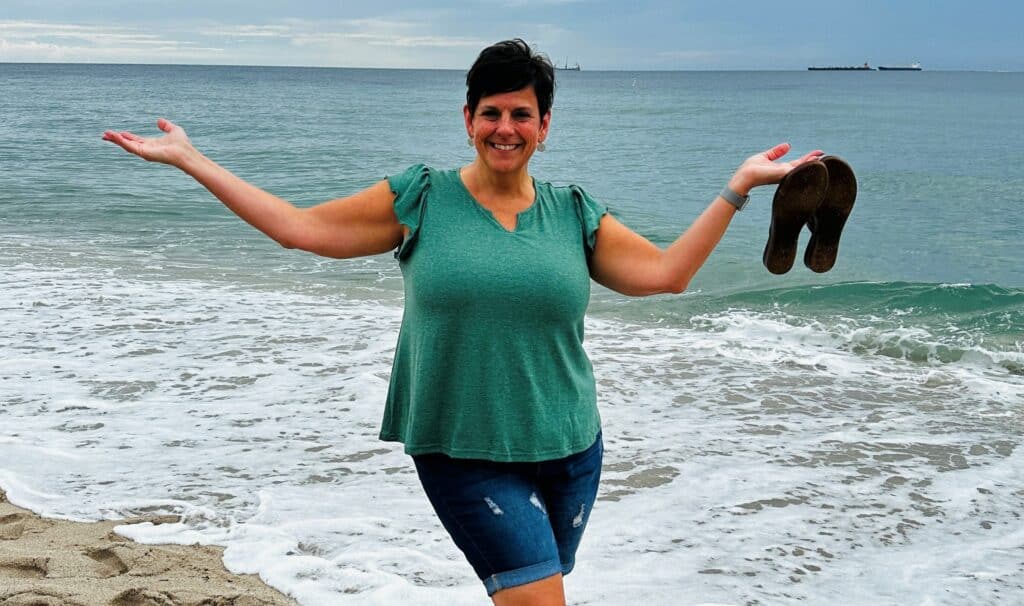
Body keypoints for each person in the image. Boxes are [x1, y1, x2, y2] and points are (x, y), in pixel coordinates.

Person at [104, 38, 824, 606]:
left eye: (520, 114)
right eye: (491, 112)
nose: (504, 128)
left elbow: (668, 276)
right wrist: (194, 162)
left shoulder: (573, 213)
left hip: (571, 446)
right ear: (468, 119)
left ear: (544, 126)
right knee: (537, 599)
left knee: (535, 587)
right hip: (461, 448)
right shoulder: (420, 198)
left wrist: (738, 187)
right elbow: (297, 229)